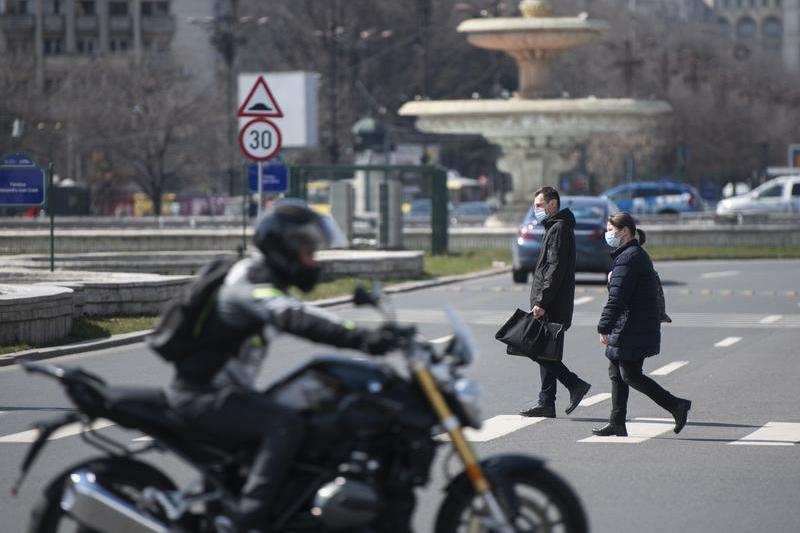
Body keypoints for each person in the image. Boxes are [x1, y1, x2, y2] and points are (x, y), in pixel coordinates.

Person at [164, 201, 397, 533]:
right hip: (203, 396)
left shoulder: (264, 278)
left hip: (227, 393)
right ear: (283, 248)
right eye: (308, 252)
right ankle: (246, 520)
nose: (312, 262)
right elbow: (293, 315)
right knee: (285, 425)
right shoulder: (248, 280)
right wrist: (361, 337)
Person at [593, 212, 692, 437]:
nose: (607, 234)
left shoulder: (629, 258)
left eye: (610, 230)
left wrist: (604, 327)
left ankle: (677, 405)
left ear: (624, 231)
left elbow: (617, 298)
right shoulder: (630, 255)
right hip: (631, 323)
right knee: (616, 372)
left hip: (632, 325)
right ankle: (617, 422)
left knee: (630, 374)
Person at [520, 186, 592, 418]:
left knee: (536, 349)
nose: (536, 209)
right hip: (552, 301)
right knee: (545, 351)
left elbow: (555, 268)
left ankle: (574, 384)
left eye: (539, 205)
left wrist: (542, 301)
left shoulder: (558, 228)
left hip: (551, 303)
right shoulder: (555, 227)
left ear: (553, 205)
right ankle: (546, 402)